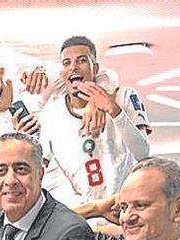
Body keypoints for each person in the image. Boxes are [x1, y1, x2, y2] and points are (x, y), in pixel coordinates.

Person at [39, 36, 151, 216]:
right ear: (62, 73)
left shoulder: (123, 96)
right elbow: (44, 171)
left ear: (95, 69)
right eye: (67, 63)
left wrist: (114, 111)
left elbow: (143, 153)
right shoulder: (51, 114)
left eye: (82, 60)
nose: (73, 67)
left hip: (125, 211)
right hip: (81, 217)